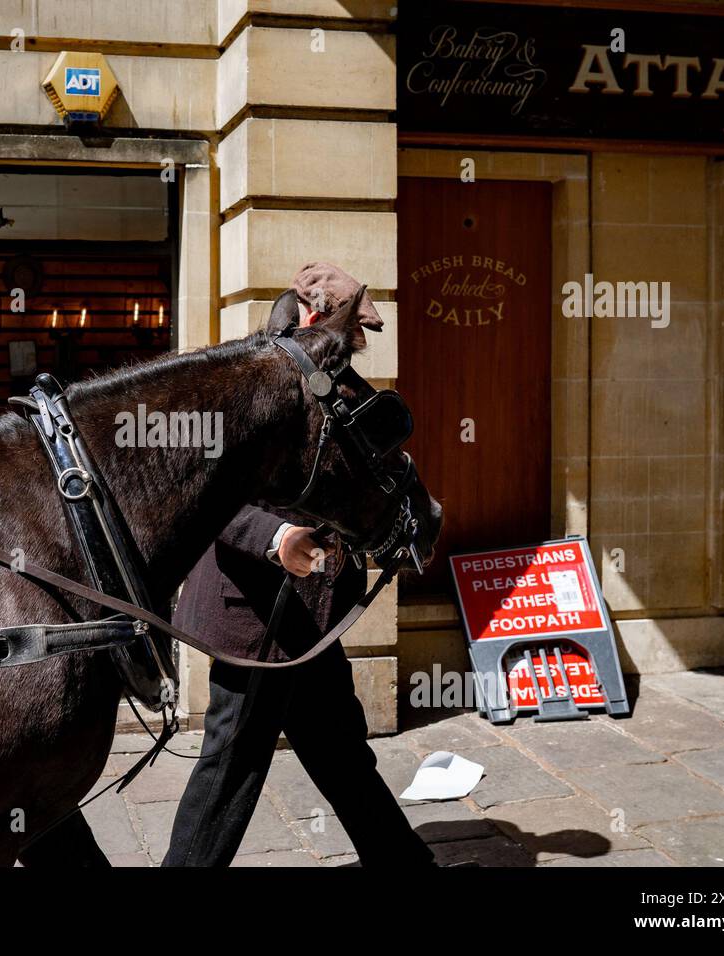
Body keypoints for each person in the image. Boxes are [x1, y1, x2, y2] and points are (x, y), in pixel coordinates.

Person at [161, 262, 435, 869]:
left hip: (314, 614)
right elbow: (208, 496)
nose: (353, 349)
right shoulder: (243, 382)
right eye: (345, 332)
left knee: (339, 749)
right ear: (313, 318)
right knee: (231, 766)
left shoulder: (336, 384)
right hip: (255, 617)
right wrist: (279, 535)